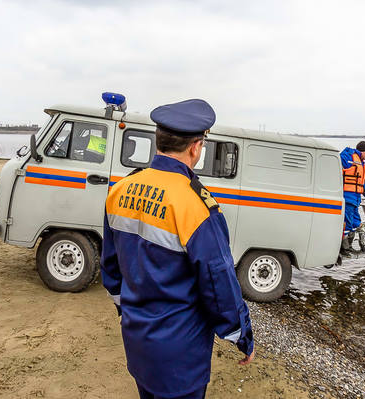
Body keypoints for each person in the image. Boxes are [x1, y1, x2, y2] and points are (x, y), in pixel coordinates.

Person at [101, 99, 254, 399]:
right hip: (181, 355)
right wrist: (241, 335)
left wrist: (125, 309)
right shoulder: (196, 206)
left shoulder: (120, 190)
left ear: (158, 140)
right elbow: (219, 283)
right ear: (196, 148)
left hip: (137, 341)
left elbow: (111, 266)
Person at [340, 141, 365, 254]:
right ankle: (343, 248)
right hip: (348, 196)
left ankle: (349, 246)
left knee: (356, 223)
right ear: (362, 151)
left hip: (356, 199)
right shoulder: (348, 157)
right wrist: (348, 151)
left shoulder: (361, 163)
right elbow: (340, 159)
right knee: (348, 223)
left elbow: (362, 183)